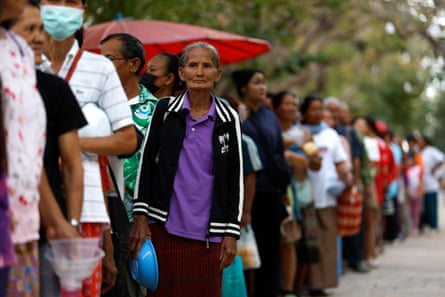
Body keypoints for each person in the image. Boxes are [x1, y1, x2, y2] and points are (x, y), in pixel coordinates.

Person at [129, 42, 243, 297]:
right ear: (182, 73)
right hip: (164, 225)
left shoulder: (228, 117)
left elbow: (235, 177)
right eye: (193, 65)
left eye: (207, 66)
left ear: (217, 73)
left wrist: (231, 233)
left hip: (210, 232)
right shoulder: (164, 110)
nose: (199, 72)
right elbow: (146, 163)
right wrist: (140, 217)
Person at [40, 0, 138, 295]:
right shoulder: (19, 64)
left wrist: (69, 146)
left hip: (87, 207)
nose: (61, 8)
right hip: (26, 202)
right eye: (53, 0)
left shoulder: (100, 68)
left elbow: (127, 139)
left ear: (82, 11)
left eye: (71, 1)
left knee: (80, 291)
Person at [0, 1, 79, 295]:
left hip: (23, 222)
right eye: (29, 28)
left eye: (41, 29)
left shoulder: (17, 58)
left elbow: (26, 154)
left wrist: (60, 223)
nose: (37, 37)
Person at [99, 32, 158, 297]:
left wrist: (142, 220)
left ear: (133, 64)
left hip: (137, 224)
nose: (101, 66)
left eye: (109, 59)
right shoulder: (92, 106)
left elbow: (164, 172)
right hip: (97, 217)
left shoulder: (158, 112)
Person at [231, 69, 288, 297]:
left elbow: (279, 152)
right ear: (244, 88)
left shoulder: (269, 116)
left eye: (264, 83)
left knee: (270, 249)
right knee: (245, 252)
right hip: (247, 192)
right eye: (257, 83)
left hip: (271, 191)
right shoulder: (235, 114)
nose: (263, 88)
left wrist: (283, 190)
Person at [300, 94, 350, 296]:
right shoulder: (298, 133)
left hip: (327, 197)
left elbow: (340, 162)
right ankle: (303, 283)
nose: (318, 112)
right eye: (313, 108)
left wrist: (346, 180)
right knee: (306, 243)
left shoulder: (331, 135)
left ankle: (320, 285)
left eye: (320, 108)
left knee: (326, 243)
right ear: (304, 112)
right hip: (303, 197)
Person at [418, 134, 445, 234]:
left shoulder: (431, 150)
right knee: (425, 206)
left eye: (420, 141)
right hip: (423, 183)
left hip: (431, 183)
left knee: (431, 206)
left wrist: (434, 169)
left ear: (425, 141)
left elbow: (442, 159)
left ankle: (433, 226)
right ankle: (427, 224)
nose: (419, 143)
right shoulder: (421, 152)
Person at [403, 151, 424, 235]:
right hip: (409, 193)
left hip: (417, 193)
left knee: (416, 211)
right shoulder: (406, 170)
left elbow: (421, 181)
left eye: (410, 160)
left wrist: (420, 191)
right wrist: (408, 192)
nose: (408, 162)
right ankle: (410, 227)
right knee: (409, 211)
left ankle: (415, 227)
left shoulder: (418, 169)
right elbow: (406, 183)